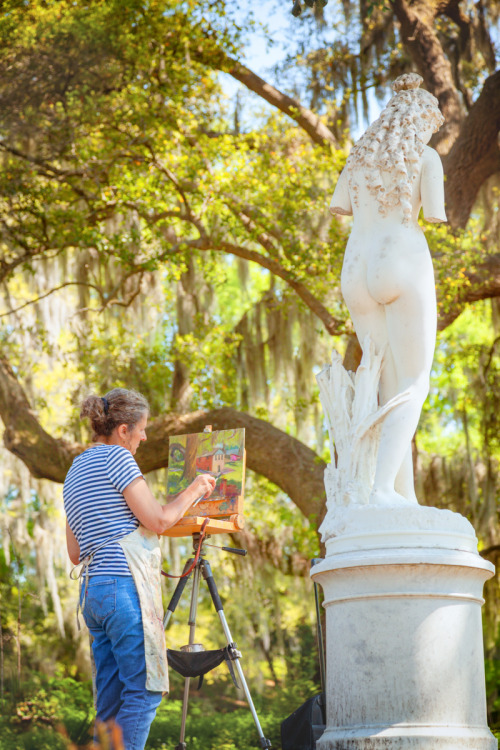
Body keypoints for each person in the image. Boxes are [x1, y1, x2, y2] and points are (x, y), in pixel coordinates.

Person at [63, 388, 215, 750]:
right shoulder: (118, 458)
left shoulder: (74, 470)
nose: (145, 437)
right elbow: (160, 520)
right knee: (146, 693)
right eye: (141, 429)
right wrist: (195, 488)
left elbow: (74, 551)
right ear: (122, 430)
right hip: (123, 587)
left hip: (93, 592)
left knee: (111, 702)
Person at [329, 73, 447, 506]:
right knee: (414, 383)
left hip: (356, 267)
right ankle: (381, 489)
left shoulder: (356, 162)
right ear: (419, 120)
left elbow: (342, 207)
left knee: (382, 382)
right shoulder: (426, 157)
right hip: (401, 258)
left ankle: (401, 492)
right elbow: (433, 213)